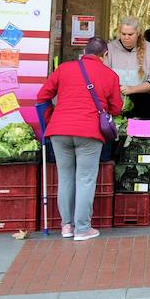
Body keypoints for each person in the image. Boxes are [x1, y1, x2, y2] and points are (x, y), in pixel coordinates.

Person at [35, 37, 122, 242]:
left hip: (59, 131)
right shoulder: (110, 75)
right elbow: (117, 108)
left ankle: (66, 226)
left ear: (84, 51)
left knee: (65, 178)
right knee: (85, 179)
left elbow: (42, 97)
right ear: (105, 55)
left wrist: (51, 120)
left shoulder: (64, 69)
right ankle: (82, 229)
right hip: (89, 132)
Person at [107, 17, 150, 120]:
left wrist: (132, 89)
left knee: (140, 135)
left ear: (138, 33)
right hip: (116, 102)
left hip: (144, 103)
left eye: (130, 34)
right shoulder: (110, 48)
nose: (126, 37)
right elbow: (104, 76)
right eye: (123, 34)